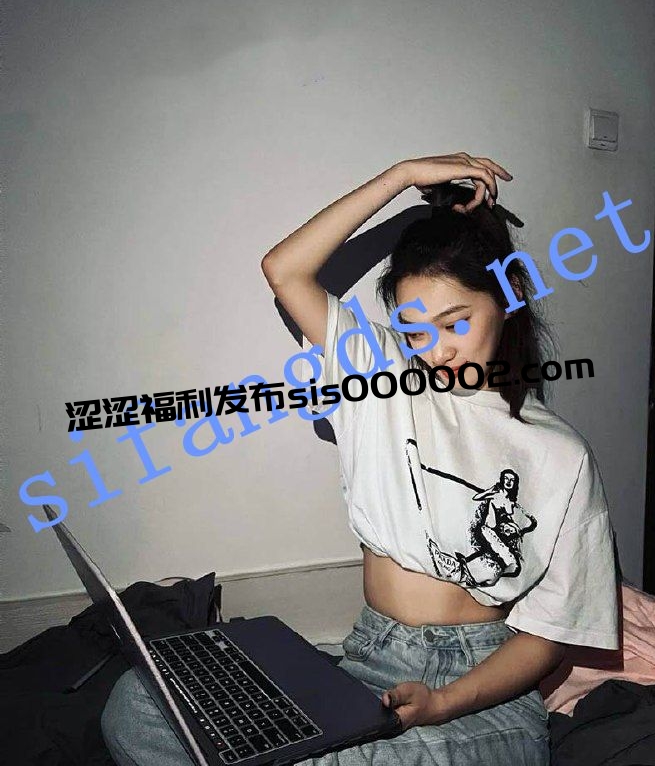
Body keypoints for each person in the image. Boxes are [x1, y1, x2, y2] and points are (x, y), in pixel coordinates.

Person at [101, 153, 620, 765]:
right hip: (368, 658)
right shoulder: (381, 377)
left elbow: (547, 636)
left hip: (478, 690)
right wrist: (401, 177)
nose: (436, 351)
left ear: (507, 298)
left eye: (455, 323)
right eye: (417, 331)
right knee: (141, 702)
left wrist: (443, 702)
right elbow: (285, 270)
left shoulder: (558, 454)